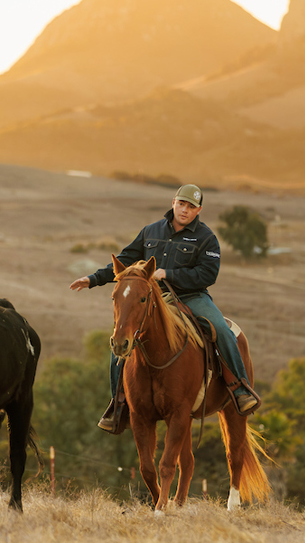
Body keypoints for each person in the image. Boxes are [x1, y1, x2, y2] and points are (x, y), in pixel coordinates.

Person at [69, 183, 261, 434]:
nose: (184, 210)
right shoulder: (151, 231)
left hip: (191, 297)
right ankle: (118, 404)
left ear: (198, 210)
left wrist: (168, 273)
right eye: (181, 203)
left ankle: (239, 388)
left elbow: (208, 274)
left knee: (221, 330)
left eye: (191, 206)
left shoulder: (206, 238)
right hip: (153, 300)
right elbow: (125, 260)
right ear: (173, 202)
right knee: (121, 339)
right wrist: (93, 279)